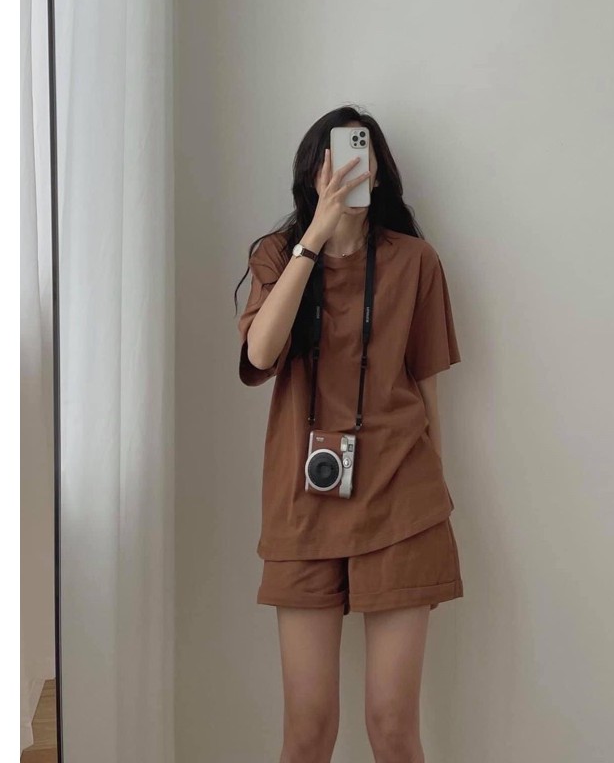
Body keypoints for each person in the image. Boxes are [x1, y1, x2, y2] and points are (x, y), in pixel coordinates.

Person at [234, 106, 463, 763]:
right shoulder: (277, 255)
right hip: (302, 506)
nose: (345, 174)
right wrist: (314, 238)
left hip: (401, 500)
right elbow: (260, 353)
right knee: (308, 731)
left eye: (359, 160)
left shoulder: (416, 262)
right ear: (311, 175)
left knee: (392, 728)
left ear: (378, 173)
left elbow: (426, 388)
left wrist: (438, 487)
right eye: (330, 164)